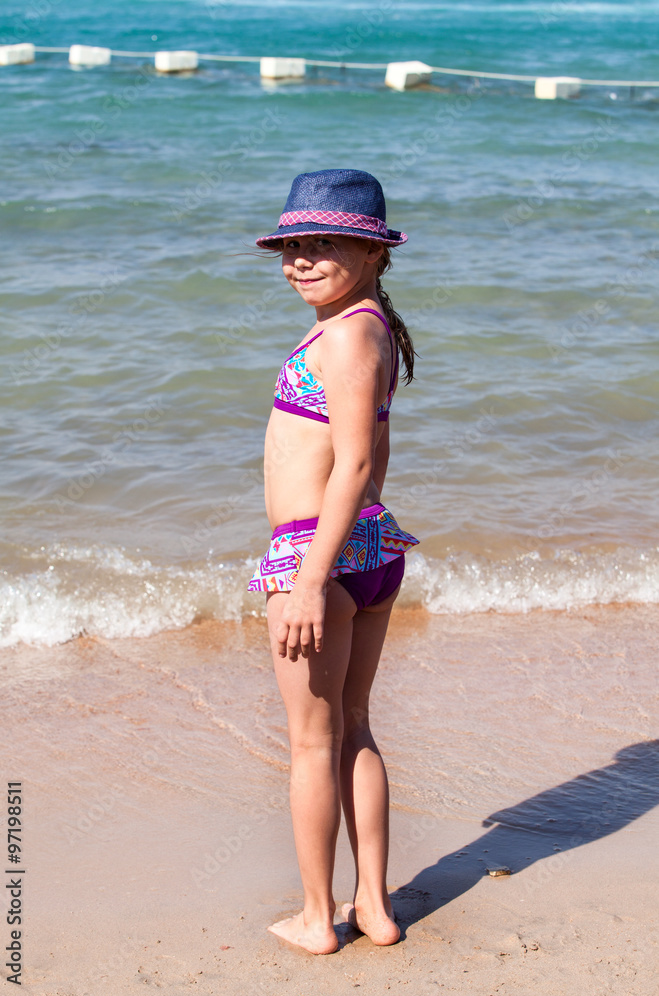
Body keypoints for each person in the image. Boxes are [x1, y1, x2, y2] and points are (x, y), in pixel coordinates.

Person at [247, 169, 419, 954]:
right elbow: (368, 461)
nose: (301, 260)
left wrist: (310, 578)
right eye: (292, 246)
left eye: (323, 244)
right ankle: (374, 909)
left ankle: (319, 920)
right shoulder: (369, 326)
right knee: (351, 726)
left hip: (319, 553)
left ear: (373, 252)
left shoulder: (348, 333)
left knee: (315, 743)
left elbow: (350, 464)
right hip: (366, 548)